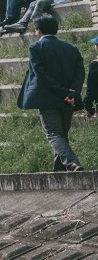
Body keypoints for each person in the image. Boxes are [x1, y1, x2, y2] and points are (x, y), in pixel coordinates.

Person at [20, 11, 84, 171]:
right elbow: (80, 73)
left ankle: (72, 163)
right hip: (68, 100)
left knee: (54, 134)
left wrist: (64, 92)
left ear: (39, 30)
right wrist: (72, 93)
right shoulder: (71, 48)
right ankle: (59, 173)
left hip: (48, 99)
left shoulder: (36, 47)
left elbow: (41, 75)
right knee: (61, 135)